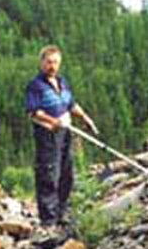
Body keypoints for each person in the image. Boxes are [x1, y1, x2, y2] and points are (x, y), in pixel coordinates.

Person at [25, 45, 98, 230]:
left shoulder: (62, 81)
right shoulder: (35, 86)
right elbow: (33, 112)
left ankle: (62, 213)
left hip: (65, 131)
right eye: (49, 62)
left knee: (67, 173)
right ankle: (48, 221)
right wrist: (53, 121)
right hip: (47, 134)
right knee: (49, 174)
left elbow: (71, 104)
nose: (52, 66)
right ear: (41, 62)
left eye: (56, 62)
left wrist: (85, 118)